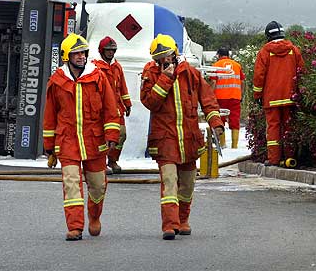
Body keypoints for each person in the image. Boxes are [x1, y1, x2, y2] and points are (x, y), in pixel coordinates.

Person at [140, 34, 224, 240]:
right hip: (165, 138)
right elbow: (150, 102)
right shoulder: (150, 73)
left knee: (187, 183)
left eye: (166, 56)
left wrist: (216, 124)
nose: (163, 61)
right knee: (169, 182)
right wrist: (166, 78)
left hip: (188, 138)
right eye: (158, 58)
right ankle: (170, 225)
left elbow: (208, 100)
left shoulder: (191, 74)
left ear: (175, 53)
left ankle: (183, 219)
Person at [42, 33, 120, 241]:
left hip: (94, 141)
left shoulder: (98, 77)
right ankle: (75, 227)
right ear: (67, 56)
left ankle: (94, 216)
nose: (81, 57)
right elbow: (50, 115)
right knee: (71, 183)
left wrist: (112, 134)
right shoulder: (57, 81)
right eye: (76, 53)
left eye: (83, 53)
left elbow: (110, 109)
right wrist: (49, 146)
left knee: (98, 185)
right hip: (67, 141)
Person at [253, 21, 304, 166]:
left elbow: (258, 76)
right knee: (289, 127)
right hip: (291, 97)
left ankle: (274, 159)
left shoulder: (264, 52)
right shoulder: (294, 50)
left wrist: (257, 95)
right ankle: (290, 158)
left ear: (268, 35)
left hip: (271, 98)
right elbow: (302, 72)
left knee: (273, 128)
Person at [92, 36, 132, 173]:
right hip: (102, 110)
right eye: (108, 50)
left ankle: (113, 160)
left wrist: (127, 103)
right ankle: (101, 163)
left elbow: (122, 87)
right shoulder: (95, 67)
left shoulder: (117, 66)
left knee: (121, 135)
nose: (110, 53)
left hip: (117, 109)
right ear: (101, 51)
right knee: (103, 138)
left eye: (113, 50)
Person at [208, 47, 245, 149]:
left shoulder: (216, 66)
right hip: (235, 97)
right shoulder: (237, 65)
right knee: (235, 120)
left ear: (219, 55)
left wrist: (209, 97)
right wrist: (240, 95)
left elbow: (214, 82)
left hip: (220, 98)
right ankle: (234, 146)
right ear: (228, 55)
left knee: (220, 120)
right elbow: (242, 81)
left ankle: (223, 144)